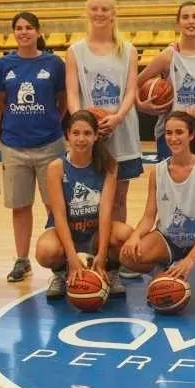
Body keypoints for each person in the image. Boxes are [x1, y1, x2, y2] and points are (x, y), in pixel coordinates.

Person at [120, 111, 195, 304]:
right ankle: (162, 273)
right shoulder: (157, 172)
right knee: (128, 256)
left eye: (179, 132)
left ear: (191, 135)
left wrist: (190, 259)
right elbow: (149, 216)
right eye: (168, 133)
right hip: (168, 238)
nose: (173, 138)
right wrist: (134, 236)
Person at [0, 11, 66, 283]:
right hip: (14, 145)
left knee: (54, 205)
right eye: (19, 28)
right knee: (20, 206)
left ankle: (60, 261)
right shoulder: (3, 65)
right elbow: (0, 101)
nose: (23, 32)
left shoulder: (54, 63)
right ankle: (22, 260)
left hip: (49, 144)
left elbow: (63, 99)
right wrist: (0, 133)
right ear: (14, 33)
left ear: (37, 31)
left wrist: (54, 121)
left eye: (28, 28)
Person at [34, 109, 133, 299]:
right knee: (45, 251)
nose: (81, 138)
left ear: (96, 136)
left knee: (126, 236)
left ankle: (111, 271)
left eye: (87, 133)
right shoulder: (56, 167)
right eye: (76, 133)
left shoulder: (109, 165)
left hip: (95, 233)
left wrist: (103, 254)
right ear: (67, 136)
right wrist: (71, 257)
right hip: (66, 232)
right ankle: (62, 274)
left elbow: (105, 213)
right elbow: (59, 216)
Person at [65, 0, 142, 224]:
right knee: (91, 196)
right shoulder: (75, 51)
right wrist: (82, 123)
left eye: (104, 9)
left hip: (122, 128)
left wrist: (117, 117)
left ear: (113, 13)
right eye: (95, 9)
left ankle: (115, 252)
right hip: (90, 133)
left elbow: (131, 91)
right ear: (87, 12)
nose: (99, 13)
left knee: (119, 197)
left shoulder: (128, 50)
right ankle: (94, 247)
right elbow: (72, 92)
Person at [136, 1, 195, 178]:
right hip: (174, 131)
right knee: (173, 190)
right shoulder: (168, 55)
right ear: (178, 23)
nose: (190, 21)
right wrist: (141, 106)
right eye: (185, 17)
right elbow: (134, 83)